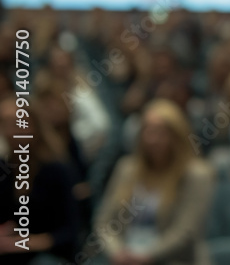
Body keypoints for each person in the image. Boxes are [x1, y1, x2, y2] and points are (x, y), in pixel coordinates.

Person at [93, 99, 216, 265]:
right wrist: (118, 253)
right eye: (148, 131)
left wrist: (145, 257)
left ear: (176, 136)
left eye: (160, 132)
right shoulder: (127, 169)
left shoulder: (196, 175)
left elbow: (184, 232)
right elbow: (104, 223)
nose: (153, 139)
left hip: (173, 260)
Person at [0, 98, 80, 264]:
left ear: (34, 127)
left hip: (49, 255)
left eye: (17, 124)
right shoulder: (4, 170)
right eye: (4, 124)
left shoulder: (57, 171)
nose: (9, 132)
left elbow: (70, 232)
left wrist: (26, 243)